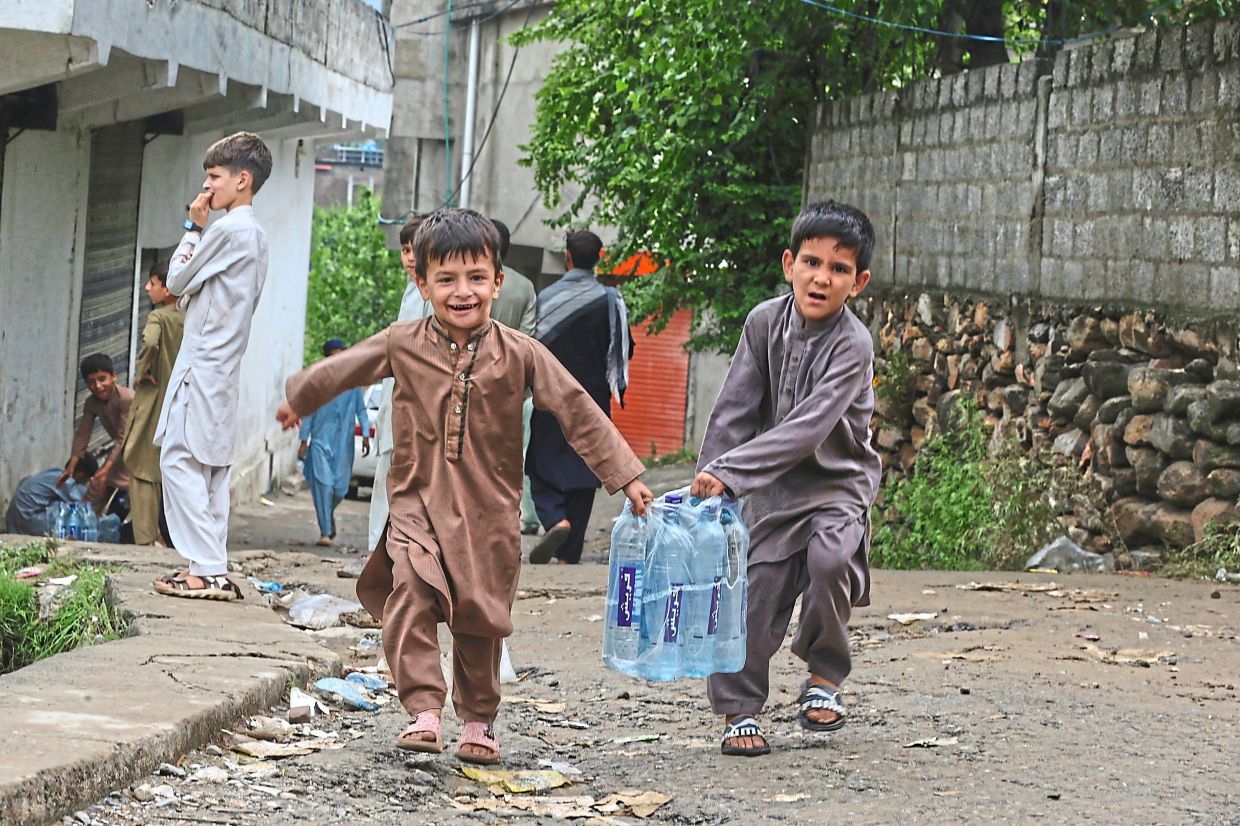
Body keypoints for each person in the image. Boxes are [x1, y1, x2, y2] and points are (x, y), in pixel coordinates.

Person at [275, 208, 652, 765]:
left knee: (480, 618)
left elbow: (575, 406)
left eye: (476, 277)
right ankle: (425, 710)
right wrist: (300, 398)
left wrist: (626, 475)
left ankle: (478, 721)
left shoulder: (520, 352)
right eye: (446, 279)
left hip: (488, 512)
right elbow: (348, 366)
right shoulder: (402, 342)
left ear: (498, 283)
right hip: (416, 502)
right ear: (422, 282)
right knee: (409, 596)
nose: (462, 291)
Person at [689, 200, 880, 758]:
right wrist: (711, 478)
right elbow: (735, 410)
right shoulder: (763, 322)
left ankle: (824, 676)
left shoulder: (853, 344)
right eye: (812, 262)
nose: (822, 277)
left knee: (830, 562)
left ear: (858, 282)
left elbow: (807, 428)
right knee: (756, 593)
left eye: (839, 269)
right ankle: (740, 710)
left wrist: (732, 472)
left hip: (837, 485)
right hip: (772, 491)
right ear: (788, 262)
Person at [152, 131, 272, 601]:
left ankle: (205, 567)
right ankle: (210, 566)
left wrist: (192, 226)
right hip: (224, 367)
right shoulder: (256, 236)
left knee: (178, 458)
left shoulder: (227, 230)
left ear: (242, 180)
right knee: (213, 468)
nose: (206, 188)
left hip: (202, 365)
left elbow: (176, 280)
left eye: (214, 177)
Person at [525, 229, 632, 564]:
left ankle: (556, 519)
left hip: (551, 397)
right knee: (586, 471)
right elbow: (625, 348)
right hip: (593, 399)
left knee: (541, 466)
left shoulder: (547, 298)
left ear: (568, 257)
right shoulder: (611, 301)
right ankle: (568, 556)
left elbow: (532, 346)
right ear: (598, 260)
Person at [367, 215, 431, 555]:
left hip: (413, 408)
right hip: (396, 403)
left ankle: (389, 554)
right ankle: (382, 554)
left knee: (397, 483)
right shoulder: (412, 290)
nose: (408, 257)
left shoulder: (428, 293)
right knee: (389, 480)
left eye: (414, 249)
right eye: (404, 249)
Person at [122, 260, 185, 546]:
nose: (147, 288)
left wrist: (142, 372)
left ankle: (146, 539)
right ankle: (167, 536)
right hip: (183, 402)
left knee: (140, 465)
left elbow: (149, 342)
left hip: (155, 401)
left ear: (168, 288)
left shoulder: (159, 317)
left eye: (153, 283)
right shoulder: (192, 316)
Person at [487, 218, 540, 536]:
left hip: (468, 384)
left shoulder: (464, 283)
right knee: (514, 456)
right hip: (510, 388)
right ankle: (515, 517)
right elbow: (529, 341)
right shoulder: (523, 287)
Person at [300, 339, 370, 547]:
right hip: (320, 441)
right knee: (323, 485)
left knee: (339, 489)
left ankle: (327, 513)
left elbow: (361, 410)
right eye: (333, 355)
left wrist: (366, 433)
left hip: (343, 444)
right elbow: (308, 412)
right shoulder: (318, 382)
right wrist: (304, 440)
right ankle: (325, 532)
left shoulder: (353, 383)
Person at [59, 354, 134, 514]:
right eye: (91, 382)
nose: (98, 386)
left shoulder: (126, 398)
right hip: (120, 455)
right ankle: (81, 528)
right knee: (96, 488)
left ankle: (157, 538)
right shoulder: (91, 403)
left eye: (102, 379)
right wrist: (71, 466)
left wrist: (106, 468)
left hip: (139, 455)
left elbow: (123, 438)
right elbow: (83, 434)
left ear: (114, 376)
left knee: (142, 502)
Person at [6, 455, 97, 536]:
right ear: (81, 475)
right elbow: (82, 508)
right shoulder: (66, 481)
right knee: (70, 519)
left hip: (13, 521)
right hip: (27, 519)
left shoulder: (54, 472)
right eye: (86, 481)